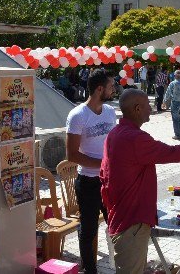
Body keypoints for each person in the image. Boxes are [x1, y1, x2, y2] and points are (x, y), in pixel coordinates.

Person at [101, 89, 180, 274]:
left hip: (123, 214)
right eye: (148, 104)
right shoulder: (134, 138)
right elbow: (170, 153)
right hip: (131, 220)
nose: (151, 108)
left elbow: (103, 176)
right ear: (137, 108)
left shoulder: (116, 133)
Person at [65, 69, 117, 274]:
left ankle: (119, 265)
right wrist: (103, 163)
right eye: (111, 86)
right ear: (99, 89)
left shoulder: (110, 112)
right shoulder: (78, 115)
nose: (114, 89)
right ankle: (90, 270)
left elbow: (114, 142)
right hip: (88, 182)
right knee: (88, 230)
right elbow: (72, 155)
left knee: (116, 225)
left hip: (109, 180)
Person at [162, 69, 180, 140]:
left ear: (174, 76)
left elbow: (168, 93)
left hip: (175, 103)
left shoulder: (172, 84)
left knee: (175, 119)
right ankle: (178, 133)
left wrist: (164, 102)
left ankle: (177, 135)